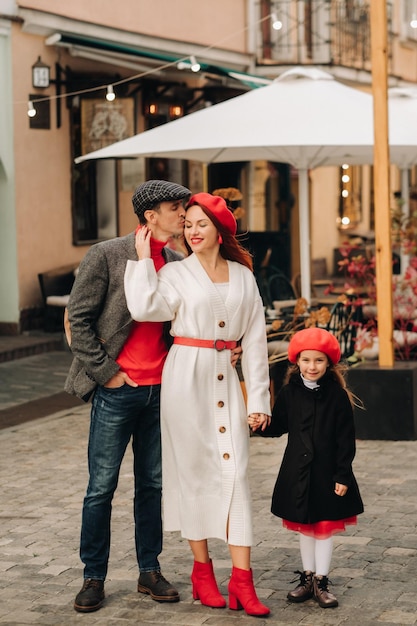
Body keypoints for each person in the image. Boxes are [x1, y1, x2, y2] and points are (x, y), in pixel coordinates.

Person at [124, 192, 272, 617]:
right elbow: (145, 308)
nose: (192, 230)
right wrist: (140, 260)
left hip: (227, 375)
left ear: (219, 230)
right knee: (193, 475)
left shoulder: (244, 276)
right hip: (186, 379)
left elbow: (257, 340)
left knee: (236, 474)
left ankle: (243, 581)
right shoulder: (174, 273)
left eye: (201, 223)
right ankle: (202, 571)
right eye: (187, 223)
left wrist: (258, 398)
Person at [65, 180, 192, 613]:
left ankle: (149, 570)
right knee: (100, 489)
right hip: (118, 391)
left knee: (152, 485)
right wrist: (107, 374)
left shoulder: (177, 261)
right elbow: (78, 320)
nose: (182, 214)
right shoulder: (106, 254)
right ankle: (93, 577)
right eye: (175, 207)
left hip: (162, 391)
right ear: (150, 215)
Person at [260, 327, 364, 609]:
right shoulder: (289, 393)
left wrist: (342, 474)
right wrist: (261, 425)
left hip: (327, 473)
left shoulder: (337, 396)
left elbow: (345, 439)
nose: (312, 366)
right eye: (306, 360)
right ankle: (307, 579)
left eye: (318, 360)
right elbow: (279, 426)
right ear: (297, 362)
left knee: (324, 529)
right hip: (298, 472)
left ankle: (322, 580)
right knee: (305, 528)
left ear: (329, 363)